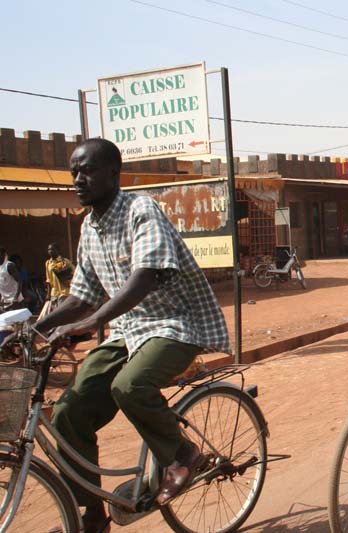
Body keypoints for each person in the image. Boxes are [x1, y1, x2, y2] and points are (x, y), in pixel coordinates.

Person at [33, 138, 231, 532]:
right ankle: (92, 515)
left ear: (113, 174)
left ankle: (183, 453)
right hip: (128, 330)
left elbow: (145, 278)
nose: (78, 179)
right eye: (74, 171)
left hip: (175, 324)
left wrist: (89, 324)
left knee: (130, 385)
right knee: (70, 410)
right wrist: (35, 330)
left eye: (87, 170)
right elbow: (81, 296)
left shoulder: (141, 210)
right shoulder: (90, 226)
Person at [42, 242, 74, 316]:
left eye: (52, 249)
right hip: (54, 292)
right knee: (55, 314)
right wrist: (48, 294)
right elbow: (48, 280)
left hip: (64, 292)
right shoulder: (48, 263)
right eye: (49, 249)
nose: (50, 251)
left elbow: (73, 274)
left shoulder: (65, 262)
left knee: (62, 313)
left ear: (57, 250)